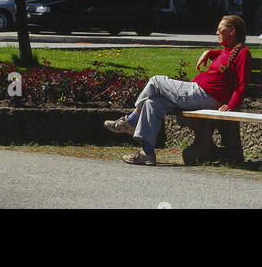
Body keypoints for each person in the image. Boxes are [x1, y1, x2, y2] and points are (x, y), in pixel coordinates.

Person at [105, 13, 251, 166]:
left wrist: (232, 105)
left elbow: (241, 85)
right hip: (199, 95)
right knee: (152, 103)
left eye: (220, 29)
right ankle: (147, 153)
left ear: (232, 30)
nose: (216, 33)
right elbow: (226, 55)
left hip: (203, 95)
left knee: (155, 81)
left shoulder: (243, 54)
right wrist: (210, 53)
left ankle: (131, 121)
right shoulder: (228, 51)